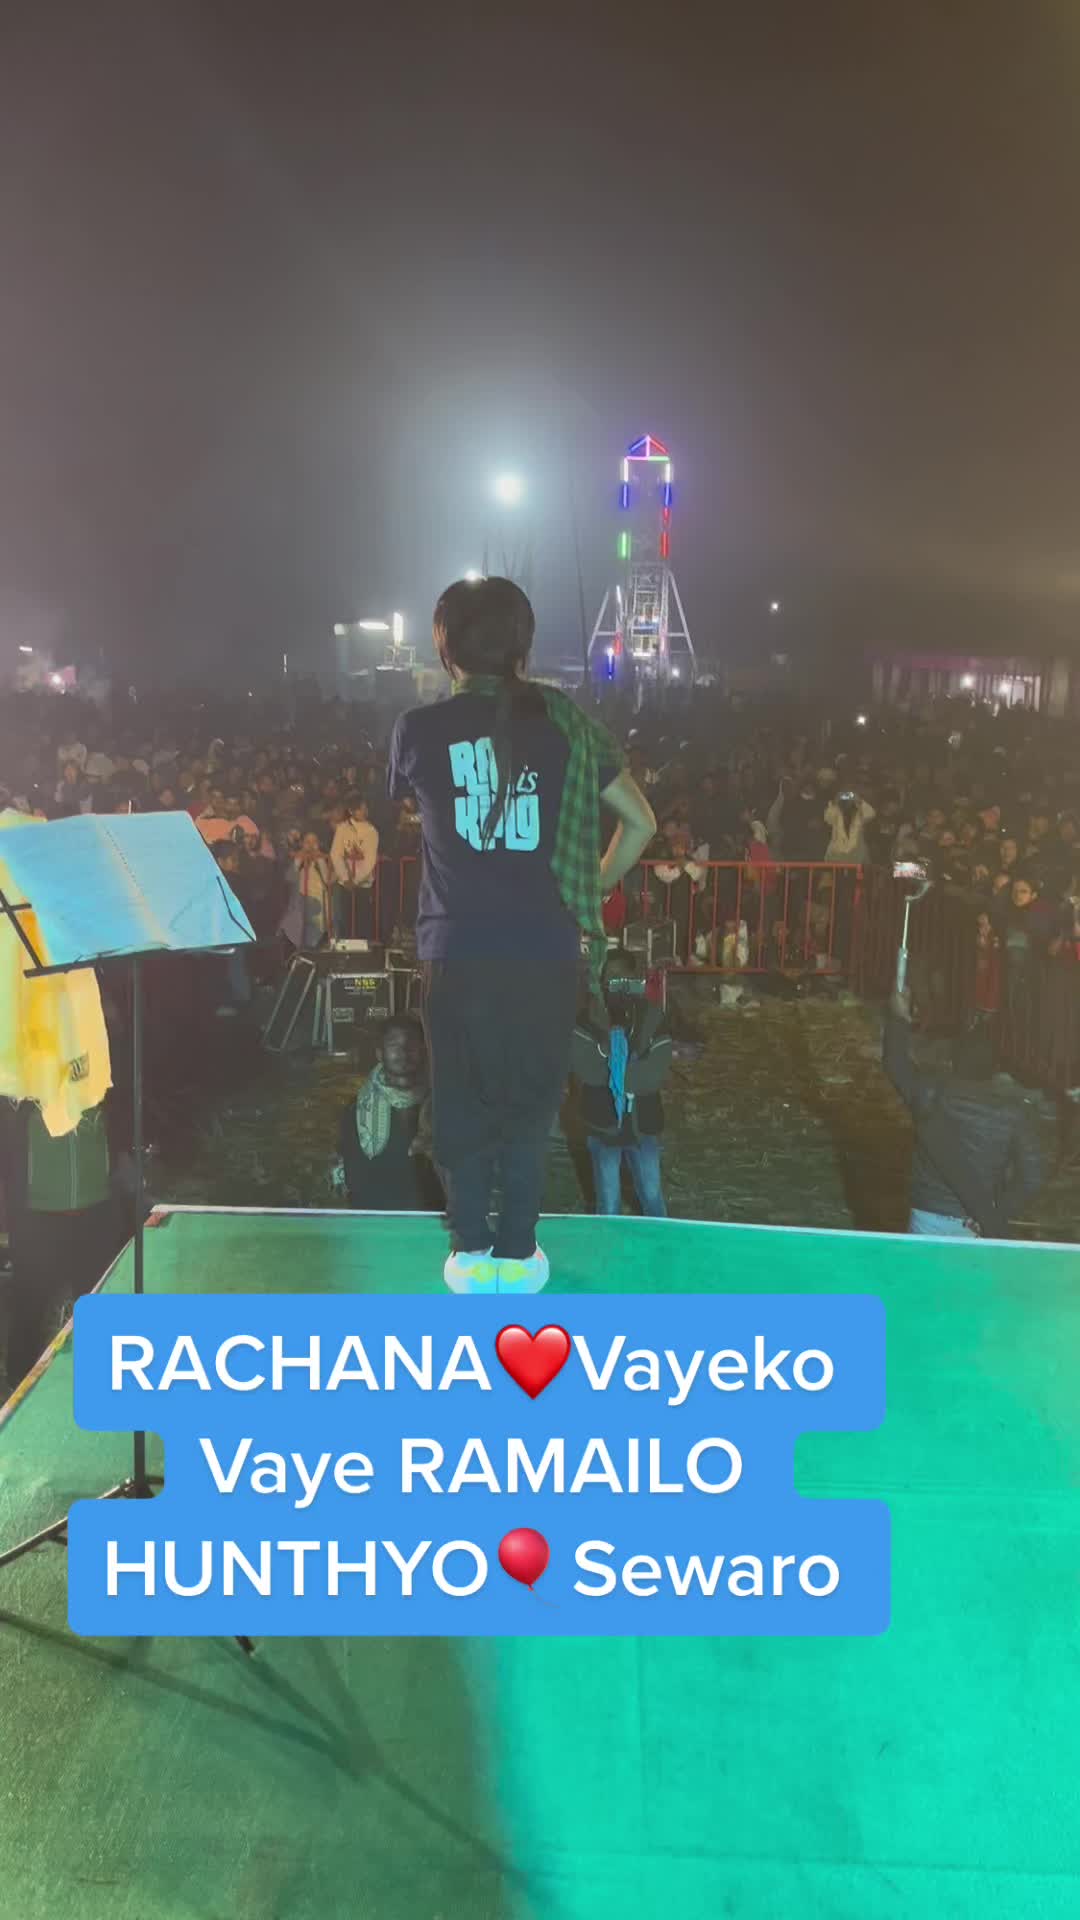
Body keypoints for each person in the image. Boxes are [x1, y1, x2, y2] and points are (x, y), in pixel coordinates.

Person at [387, 576, 655, 1294]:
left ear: (443, 646)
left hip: (456, 951)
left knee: (460, 1100)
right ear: (523, 649)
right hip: (546, 952)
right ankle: (519, 1249)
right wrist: (587, 885)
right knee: (531, 1104)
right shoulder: (567, 724)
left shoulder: (416, 730)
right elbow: (641, 823)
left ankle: (470, 1248)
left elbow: (413, 803)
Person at [883, 989, 1044, 1237]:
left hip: (928, 1214)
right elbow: (1032, 1177)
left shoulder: (929, 1092)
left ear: (953, 1061)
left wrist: (898, 1016)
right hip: (977, 1221)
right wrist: (996, 1213)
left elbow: (895, 1064)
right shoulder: (1015, 1113)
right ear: (995, 1068)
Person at [570, 961, 672, 1216]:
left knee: (652, 1197)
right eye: (614, 983)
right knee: (608, 1204)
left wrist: (613, 1070)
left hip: (643, 1126)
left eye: (628, 982)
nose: (621, 991)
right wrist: (620, 1059)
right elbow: (586, 1070)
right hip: (603, 1126)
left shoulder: (652, 1019)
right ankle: (609, 1242)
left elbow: (655, 1073)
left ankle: (660, 1240)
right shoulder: (586, 1021)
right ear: (603, 985)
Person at [335, 1016, 443, 1212]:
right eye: (394, 1045)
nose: (403, 1052)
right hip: (378, 1219)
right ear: (380, 1053)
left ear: (424, 1050)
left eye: (411, 1044)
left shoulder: (444, 1106)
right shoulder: (357, 1112)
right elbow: (354, 1179)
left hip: (433, 1219)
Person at [330, 793, 379, 938]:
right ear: (351, 811)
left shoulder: (371, 831)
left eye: (365, 808)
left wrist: (355, 880)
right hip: (343, 884)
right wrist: (345, 878)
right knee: (344, 921)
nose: (364, 811)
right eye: (360, 809)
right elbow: (336, 854)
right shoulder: (342, 828)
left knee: (362, 921)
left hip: (363, 884)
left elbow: (370, 860)